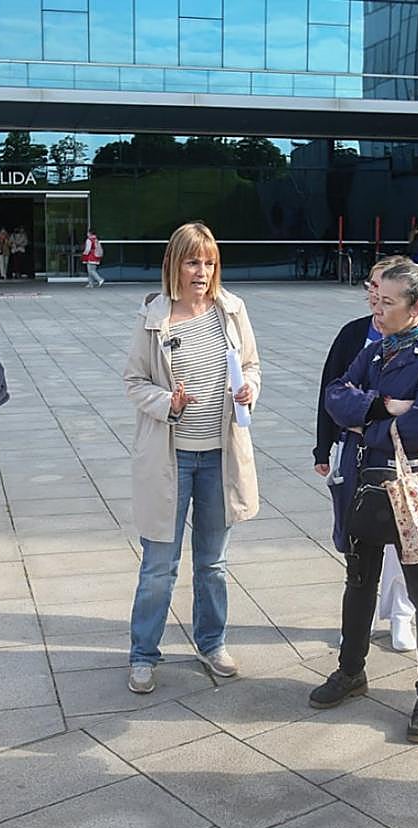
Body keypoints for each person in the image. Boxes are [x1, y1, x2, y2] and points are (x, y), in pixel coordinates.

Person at [309, 258, 418, 747]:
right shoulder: (377, 348)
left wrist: (367, 425)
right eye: (374, 300)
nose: (375, 311)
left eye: (386, 303)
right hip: (362, 484)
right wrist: (383, 408)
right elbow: (336, 396)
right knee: (358, 580)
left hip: (412, 492)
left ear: (417, 307)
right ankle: (350, 669)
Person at [124, 221, 260, 694]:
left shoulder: (232, 310)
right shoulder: (154, 316)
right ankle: (143, 653)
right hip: (171, 458)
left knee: (213, 563)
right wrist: (169, 403)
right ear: (175, 265)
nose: (201, 271)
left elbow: (251, 367)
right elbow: (134, 381)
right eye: (192, 261)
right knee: (159, 565)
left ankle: (212, 642)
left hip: (219, 457)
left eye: (209, 262)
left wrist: (248, 390)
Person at [314, 256, 418, 653]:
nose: (375, 295)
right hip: (356, 454)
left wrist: (372, 415)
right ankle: (357, 618)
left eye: (384, 288)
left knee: (405, 539)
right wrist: (323, 446)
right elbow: (331, 392)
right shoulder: (353, 335)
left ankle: (403, 615)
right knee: (358, 535)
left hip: (404, 456)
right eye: (371, 286)